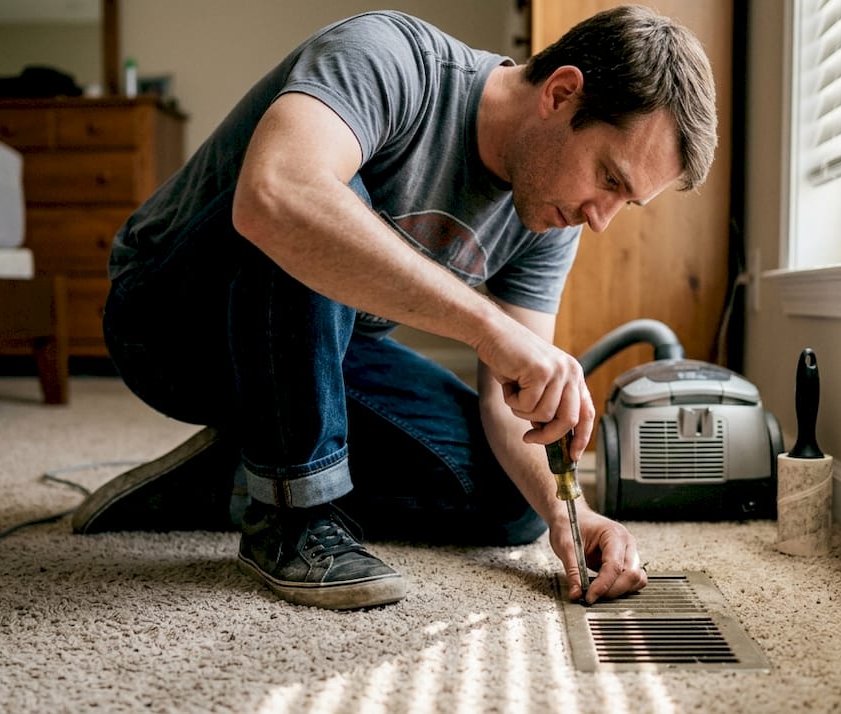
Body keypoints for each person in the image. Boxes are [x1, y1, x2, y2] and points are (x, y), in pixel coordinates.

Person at [73, 5, 717, 611]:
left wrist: (571, 514)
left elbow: (509, 399)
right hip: (169, 325)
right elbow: (276, 195)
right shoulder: (390, 58)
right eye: (609, 178)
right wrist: (487, 326)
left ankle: (234, 475)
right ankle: (292, 514)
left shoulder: (549, 212)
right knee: (322, 197)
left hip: (316, 349)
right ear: (561, 93)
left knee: (510, 502)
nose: (601, 219)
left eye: (626, 202)